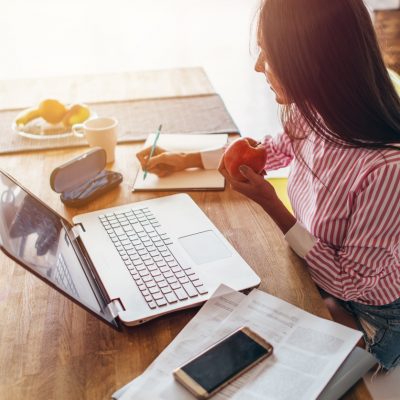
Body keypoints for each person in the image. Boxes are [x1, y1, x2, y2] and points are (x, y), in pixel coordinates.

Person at [137, 0, 400, 370]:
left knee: (261, 357)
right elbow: (271, 149)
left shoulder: (387, 169)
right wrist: (190, 159)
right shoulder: (318, 112)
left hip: (373, 317)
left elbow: (347, 283)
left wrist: (273, 206)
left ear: (312, 59)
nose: (258, 65)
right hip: (317, 279)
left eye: (269, 52)